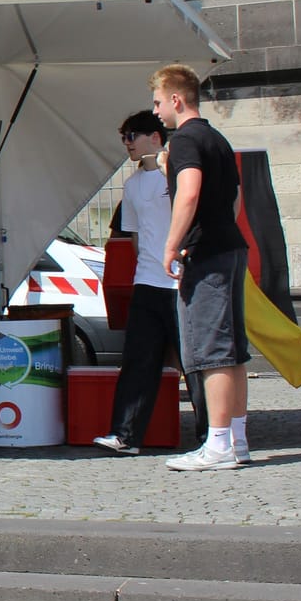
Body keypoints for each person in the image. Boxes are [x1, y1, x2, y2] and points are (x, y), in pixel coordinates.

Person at [152, 64, 252, 472]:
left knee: (211, 352)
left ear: (176, 99)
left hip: (206, 255)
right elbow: (235, 197)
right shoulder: (216, 139)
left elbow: (189, 192)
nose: (156, 112)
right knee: (233, 353)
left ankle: (218, 445)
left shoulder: (187, 140)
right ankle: (237, 440)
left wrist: (172, 245)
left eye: (158, 102)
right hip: (228, 247)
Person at [93, 112, 184, 456]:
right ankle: (125, 435)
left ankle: (213, 434)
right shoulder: (131, 186)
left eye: (133, 135)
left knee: (193, 360)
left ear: (156, 138)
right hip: (146, 282)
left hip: (179, 281)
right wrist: (142, 271)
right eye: (124, 138)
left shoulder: (174, 174)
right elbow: (132, 236)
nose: (128, 143)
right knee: (137, 360)